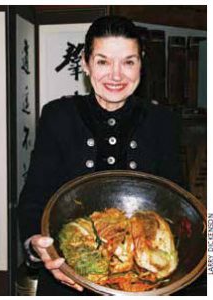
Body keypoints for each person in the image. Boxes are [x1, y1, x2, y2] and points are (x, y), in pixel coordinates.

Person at [18, 15, 183, 296]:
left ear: (141, 64)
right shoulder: (58, 116)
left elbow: (179, 206)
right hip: (67, 273)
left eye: (128, 62)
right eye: (103, 61)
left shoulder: (162, 121)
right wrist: (36, 244)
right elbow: (33, 199)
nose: (116, 75)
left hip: (144, 282)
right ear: (85, 63)